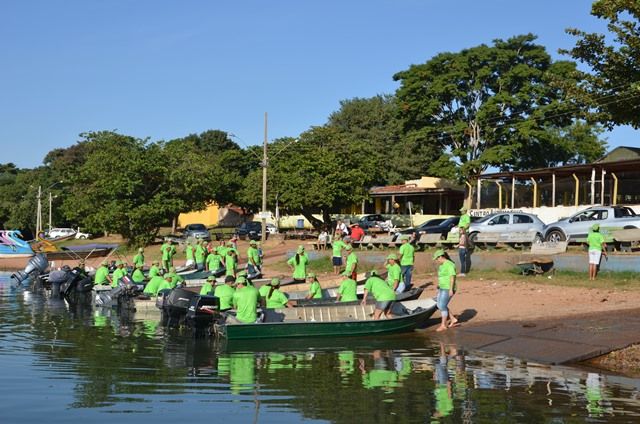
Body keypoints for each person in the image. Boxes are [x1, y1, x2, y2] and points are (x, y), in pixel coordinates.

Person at [433, 249, 459, 332]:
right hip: (442, 287)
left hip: (448, 288)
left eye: (437, 259)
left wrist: (451, 289)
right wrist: (438, 287)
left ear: (440, 257)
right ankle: (453, 319)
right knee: (439, 305)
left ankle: (443, 325)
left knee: (442, 306)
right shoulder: (442, 265)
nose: (436, 261)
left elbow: (452, 277)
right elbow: (441, 277)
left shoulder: (449, 264)